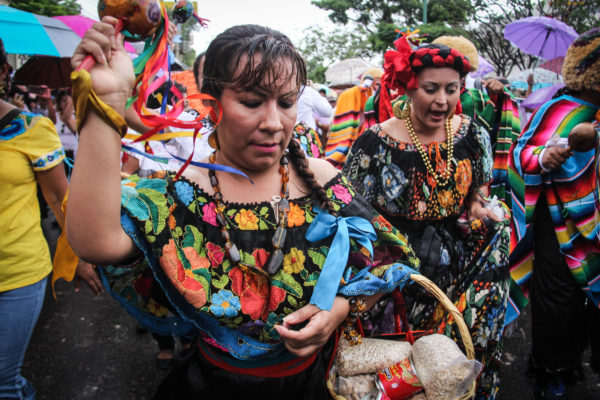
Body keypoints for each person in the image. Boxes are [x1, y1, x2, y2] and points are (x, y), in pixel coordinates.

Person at [67, 21, 420, 399]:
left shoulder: (320, 178)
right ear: (210, 105)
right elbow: (96, 242)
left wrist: (339, 309)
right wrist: (104, 100)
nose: (273, 123)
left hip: (311, 385)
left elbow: (391, 259)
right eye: (252, 102)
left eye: (286, 103)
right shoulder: (181, 189)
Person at [343, 38, 511, 399]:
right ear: (408, 87)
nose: (442, 101)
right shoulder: (374, 143)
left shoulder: (473, 134)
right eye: (430, 89)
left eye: (452, 90)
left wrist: (481, 208)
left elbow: (478, 193)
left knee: (455, 363)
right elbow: (351, 214)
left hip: (460, 265)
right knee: (402, 369)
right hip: (397, 269)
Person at [0, 37, 99, 400]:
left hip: (16, 275)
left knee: (2, 382)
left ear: (3, 72)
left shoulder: (29, 128)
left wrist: (79, 255)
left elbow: (59, 198)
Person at [508, 28, 600, 399]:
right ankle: (554, 370)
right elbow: (521, 154)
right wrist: (543, 157)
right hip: (560, 223)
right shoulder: (559, 108)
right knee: (558, 300)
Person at [431, 36, 521, 206]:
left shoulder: (477, 97)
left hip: (469, 180)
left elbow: (492, 131)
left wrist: (498, 98)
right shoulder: (418, 98)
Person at [325, 67, 383, 169]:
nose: (378, 89)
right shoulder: (354, 94)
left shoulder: (383, 97)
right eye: (376, 84)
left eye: (380, 85)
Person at [54, 89, 78, 175]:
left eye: (69, 101)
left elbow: (66, 118)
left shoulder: (75, 117)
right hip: (58, 154)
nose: (67, 103)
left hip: (71, 155)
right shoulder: (54, 116)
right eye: (64, 101)